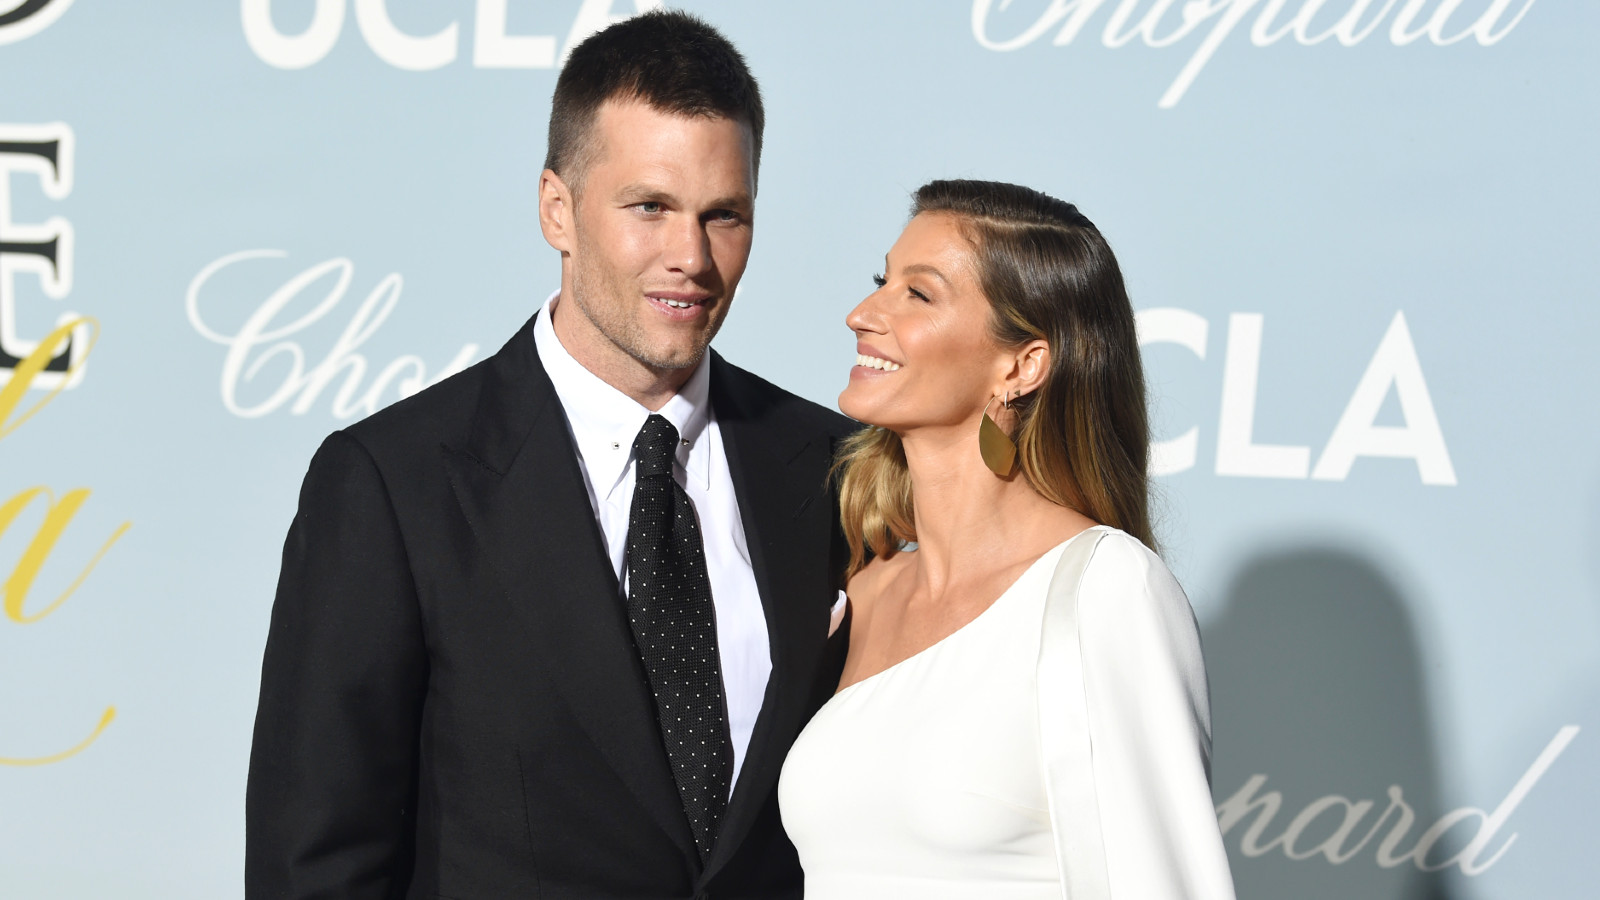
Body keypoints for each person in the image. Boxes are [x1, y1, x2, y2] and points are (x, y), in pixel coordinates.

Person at [245, 11, 855, 899]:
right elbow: (316, 866)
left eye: (724, 216)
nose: (691, 256)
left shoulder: (839, 468)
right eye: (649, 207)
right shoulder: (392, 485)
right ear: (556, 209)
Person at [778, 179, 1237, 899]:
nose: (863, 315)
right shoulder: (862, 591)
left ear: (1022, 366)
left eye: (917, 295)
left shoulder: (1103, 590)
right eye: (881, 282)